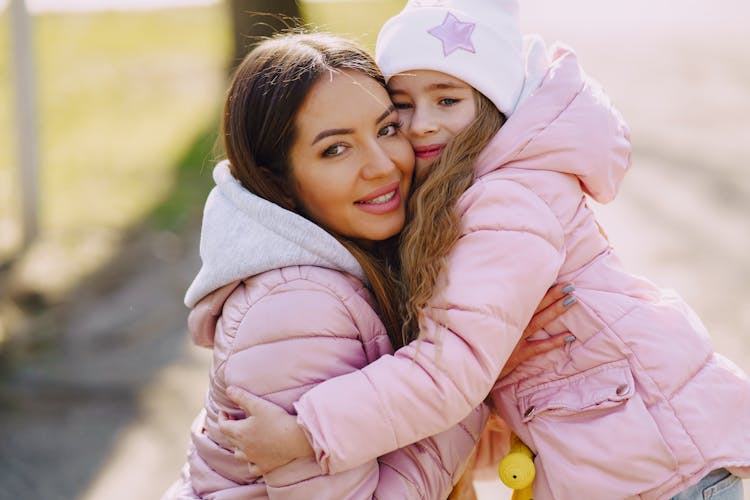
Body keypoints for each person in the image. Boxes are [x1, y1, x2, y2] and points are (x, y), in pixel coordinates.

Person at [217, 1, 750, 499]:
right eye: (402, 106)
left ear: (494, 104)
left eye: (447, 99)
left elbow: (452, 368)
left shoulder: (503, 204)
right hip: (626, 455)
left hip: (658, 465)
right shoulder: (467, 195)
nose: (422, 122)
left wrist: (311, 431)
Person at [164, 30, 574, 499]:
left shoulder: (374, 256)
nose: (382, 165)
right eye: (335, 149)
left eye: (387, 129)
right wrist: (475, 372)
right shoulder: (295, 310)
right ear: (276, 181)